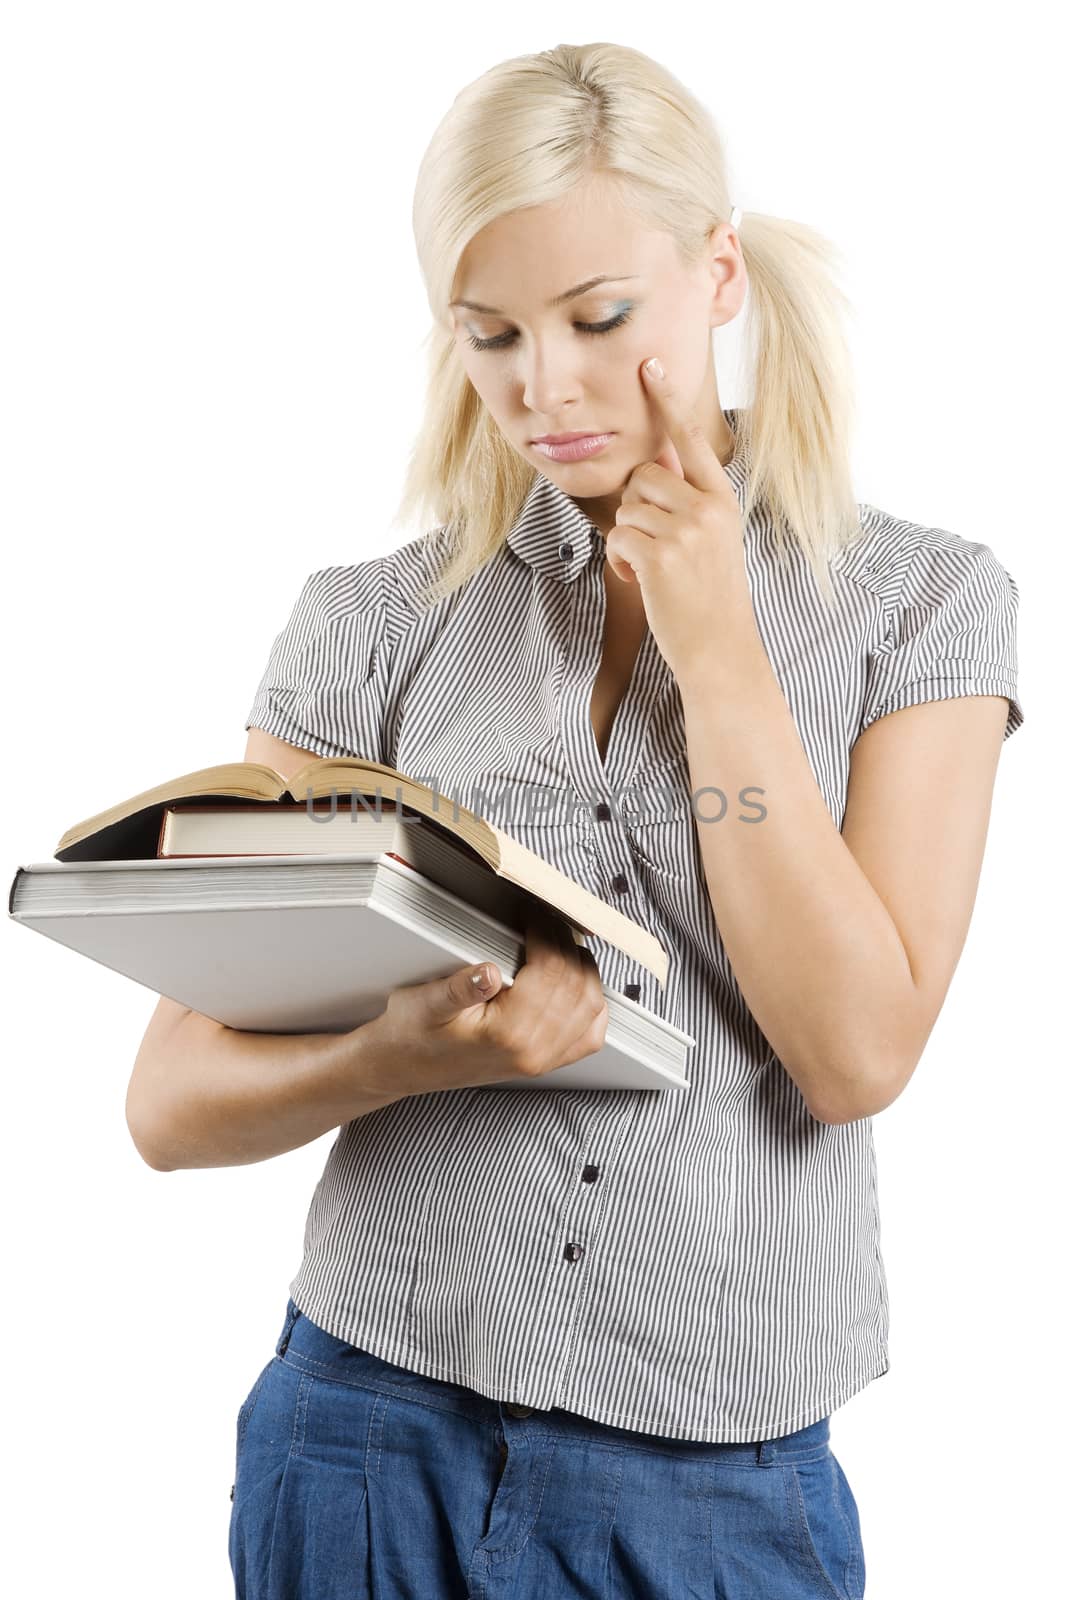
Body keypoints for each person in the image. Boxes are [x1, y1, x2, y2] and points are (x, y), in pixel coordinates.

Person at [127, 40, 1024, 1600]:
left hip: (710, 1485)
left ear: (718, 274)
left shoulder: (919, 606)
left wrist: (721, 651)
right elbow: (171, 1101)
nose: (544, 386)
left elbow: (855, 1053)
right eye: (490, 336)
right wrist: (404, 1052)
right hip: (359, 1433)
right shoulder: (371, 625)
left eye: (599, 320)